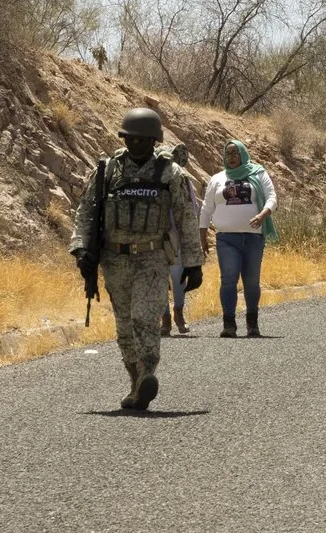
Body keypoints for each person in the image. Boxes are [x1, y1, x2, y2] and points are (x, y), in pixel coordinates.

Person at [71, 108, 205, 413]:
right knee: (124, 326)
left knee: (145, 317)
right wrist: (81, 250)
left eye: (142, 139)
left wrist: (194, 263)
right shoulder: (107, 171)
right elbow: (86, 211)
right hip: (114, 259)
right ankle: (135, 383)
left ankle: (147, 372)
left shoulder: (171, 173)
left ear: (154, 140)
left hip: (152, 258)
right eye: (130, 138)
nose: (135, 144)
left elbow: (186, 217)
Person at [204, 140, 279, 336]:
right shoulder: (217, 179)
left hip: (253, 238)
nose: (232, 157)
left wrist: (263, 215)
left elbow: (272, 197)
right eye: (228, 153)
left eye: (236, 153)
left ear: (243, 154)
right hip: (226, 239)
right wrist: (202, 235)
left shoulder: (258, 173)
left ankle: (252, 323)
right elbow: (206, 208)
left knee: (252, 281)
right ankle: (229, 324)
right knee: (228, 279)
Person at [159, 142, 203, 337]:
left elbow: (190, 208)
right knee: (160, 277)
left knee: (176, 275)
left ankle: (177, 313)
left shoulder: (180, 177)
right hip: (156, 233)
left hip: (174, 233)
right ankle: (166, 318)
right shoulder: (154, 175)